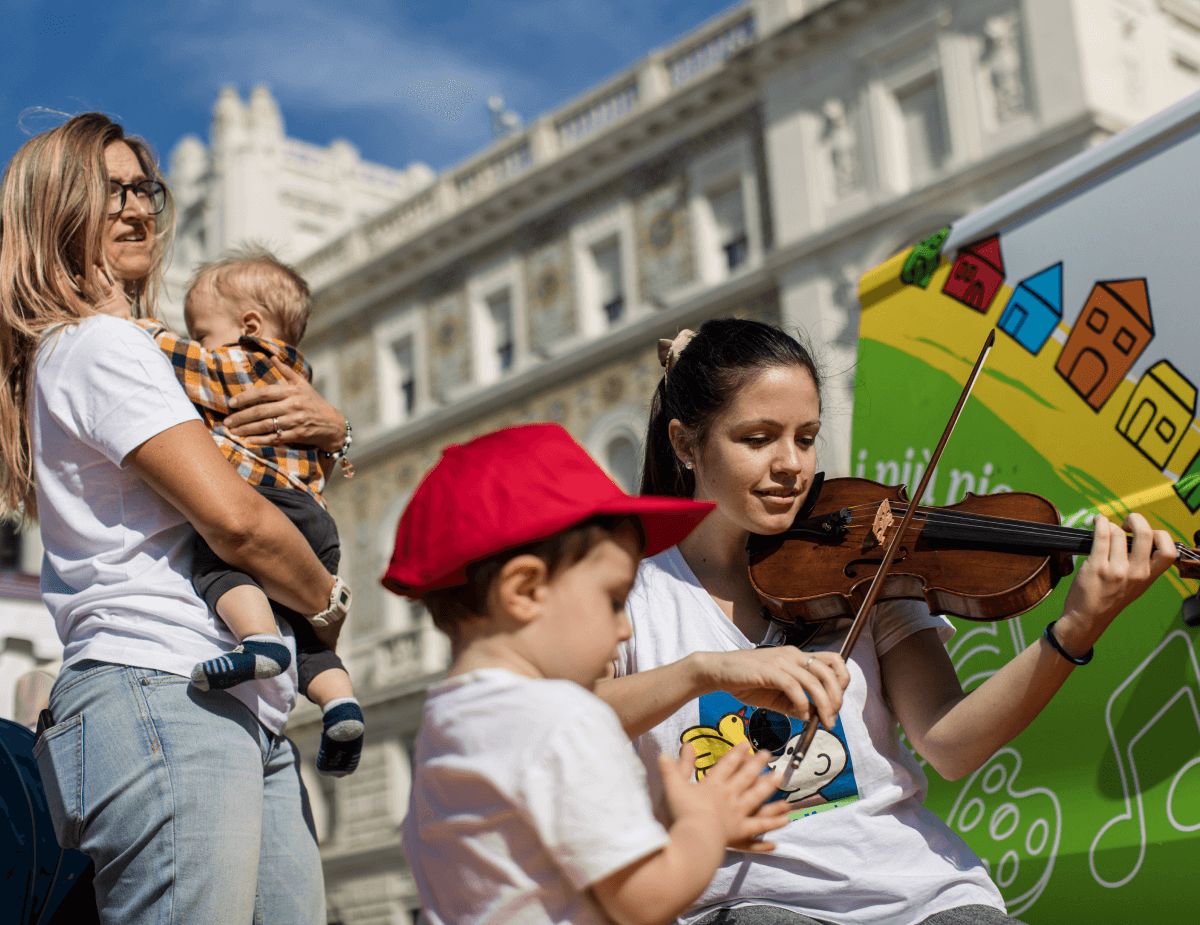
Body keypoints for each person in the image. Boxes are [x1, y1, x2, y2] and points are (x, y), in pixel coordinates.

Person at [597, 318, 1177, 925]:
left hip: (920, 891)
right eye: (758, 438)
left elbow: (950, 745)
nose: (791, 464)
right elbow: (558, 717)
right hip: (749, 903)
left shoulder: (863, 568)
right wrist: (702, 671)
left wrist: (1077, 628)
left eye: (806, 436)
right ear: (686, 444)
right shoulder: (631, 594)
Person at [0, 112, 349, 924]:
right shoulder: (99, 345)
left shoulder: (129, 351)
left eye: (143, 189)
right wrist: (325, 604)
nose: (136, 208)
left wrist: (337, 432)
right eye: (107, 190)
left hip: (231, 705)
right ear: (57, 212)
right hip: (163, 690)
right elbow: (238, 523)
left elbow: (267, 472)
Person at [381, 423, 816, 925]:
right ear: (524, 590)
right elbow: (644, 898)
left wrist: (673, 823)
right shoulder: (563, 717)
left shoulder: (446, 722)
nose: (626, 627)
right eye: (612, 600)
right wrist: (706, 824)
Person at [136, 248, 363, 776]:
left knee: (217, 561)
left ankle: (257, 641)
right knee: (307, 634)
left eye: (204, 332)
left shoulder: (246, 362)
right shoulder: (296, 375)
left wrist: (140, 330)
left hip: (268, 502)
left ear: (250, 325)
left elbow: (192, 367)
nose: (198, 342)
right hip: (315, 520)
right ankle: (340, 705)